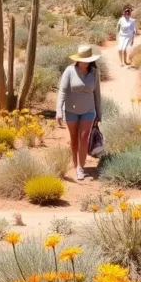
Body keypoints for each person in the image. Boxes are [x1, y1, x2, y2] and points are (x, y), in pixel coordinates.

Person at [56, 45, 102, 181]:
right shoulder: (70, 71)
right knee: (74, 138)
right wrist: (59, 110)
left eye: (88, 59)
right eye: (83, 59)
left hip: (89, 110)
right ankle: (75, 163)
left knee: (84, 138)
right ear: (78, 59)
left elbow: (97, 93)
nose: (85, 62)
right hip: (71, 111)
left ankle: (80, 167)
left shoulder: (94, 72)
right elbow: (62, 91)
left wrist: (99, 113)